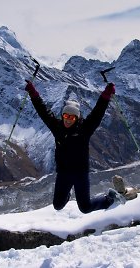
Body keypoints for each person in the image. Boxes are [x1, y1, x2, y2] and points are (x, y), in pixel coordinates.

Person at [24, 80, 122, 213]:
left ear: (77, 118)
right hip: (63, 173)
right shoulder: (57, 127)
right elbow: (43, 111)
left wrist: (106, 94)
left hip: (80, 173)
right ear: (62, 115)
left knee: (85, 208)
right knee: (58, 206)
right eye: (66, 115)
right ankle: (67, 194)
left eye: (72, 116)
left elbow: (98, 112)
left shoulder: (84, 129)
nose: (68, 119)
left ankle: (110, 199)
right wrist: (32, 92)